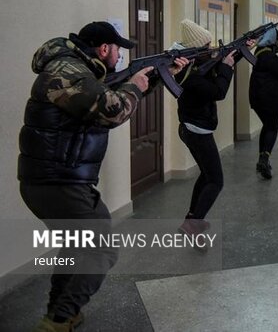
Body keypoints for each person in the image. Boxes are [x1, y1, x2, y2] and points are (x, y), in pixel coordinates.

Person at [17, 21, 188, 332]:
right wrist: (135, 84)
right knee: (100, 250)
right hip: (57, 182)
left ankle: (63, 311)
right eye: (118, 50)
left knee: (75, 246)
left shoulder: (77, 70)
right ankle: (57, 320)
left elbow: (112, 98)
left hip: (55, 179)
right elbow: (113, 110)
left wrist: (160, 77)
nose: (120, 56)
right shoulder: (69, 73)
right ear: (104, 49)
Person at [174, 19, 250, 236]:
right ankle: (193, 224)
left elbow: (216, 67)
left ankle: (192, 216)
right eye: (207, 47)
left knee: (206, 175)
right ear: (197, 48)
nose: (211, 50)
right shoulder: (188, 72)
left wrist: (240, 51)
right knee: (216, 181)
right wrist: (226, 67)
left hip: (195, 128)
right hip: (196, 130)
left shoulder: (194, 65)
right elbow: (218, 91)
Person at [249, 27, 278, 179]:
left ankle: (262, 158)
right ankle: (264, 160)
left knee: (266, 126)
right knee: (272, 128)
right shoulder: (268, 56)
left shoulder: (260, 53)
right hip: (269, 99)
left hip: (257, 98)